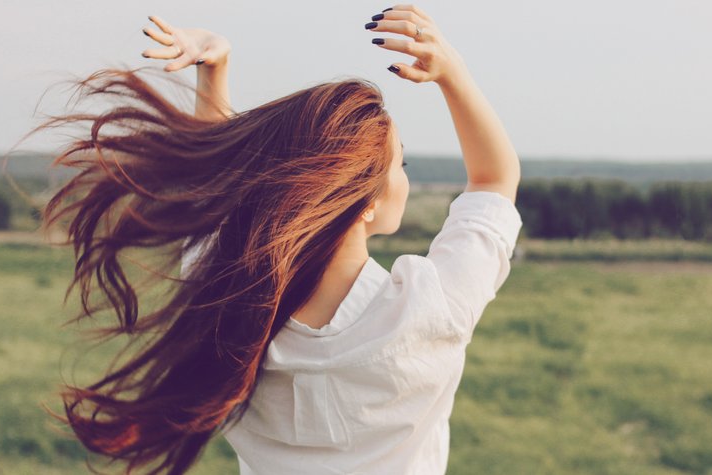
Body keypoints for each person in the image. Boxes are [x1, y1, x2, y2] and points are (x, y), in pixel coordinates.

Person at [38, 4, 521, 474]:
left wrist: (215, 71)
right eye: (401, 165)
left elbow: (215, 201)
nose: (405, 177)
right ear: (364, 201)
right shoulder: (430, 309)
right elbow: (494, 180)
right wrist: (451, 71)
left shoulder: (228, 307)